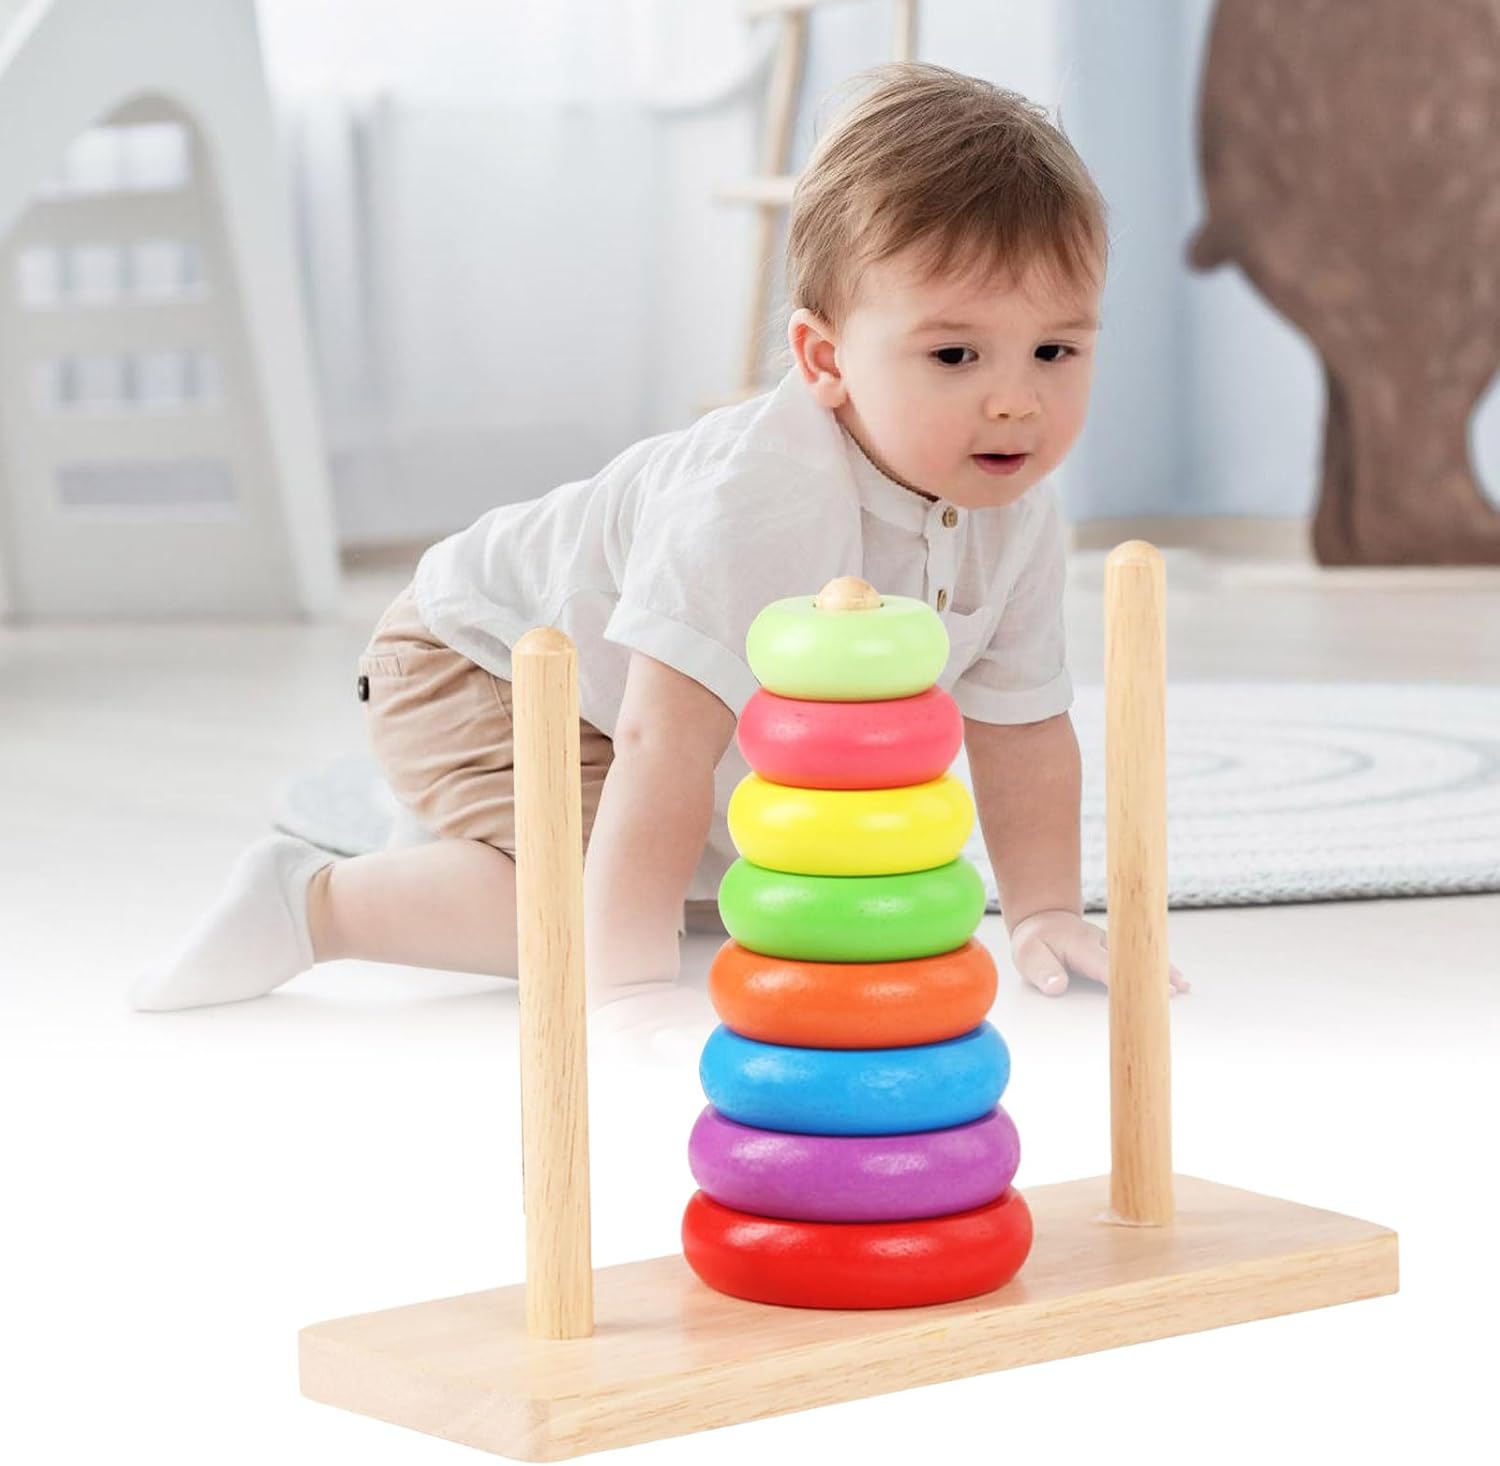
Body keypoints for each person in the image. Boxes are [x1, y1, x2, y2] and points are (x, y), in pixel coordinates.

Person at [129, 62, 1187, 1033]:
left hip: (611, 703)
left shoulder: (1014, 507)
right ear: (824, 359)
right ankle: (311, 903)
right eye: (955, 354)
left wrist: (1045, 909)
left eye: (1056, 349)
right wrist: (627, 985)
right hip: (479, 663)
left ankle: (473, 854)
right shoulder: (758, 504)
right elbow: (662, 744)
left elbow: (1023, 729)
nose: (1016, 401)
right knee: (591, 918)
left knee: (742, 900)